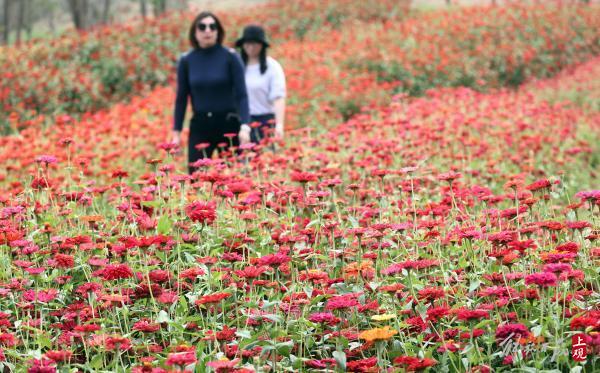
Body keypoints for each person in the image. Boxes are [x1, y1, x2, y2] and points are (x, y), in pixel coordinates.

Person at [171, 11, 251, 174]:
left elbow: (242, 95)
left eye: (212, 27)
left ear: (218, 31)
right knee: (195, 177)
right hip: (200, 125)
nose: (207, 31)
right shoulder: (187, 61)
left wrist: (245, 126)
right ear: (195, 32)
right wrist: (176, 133)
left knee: (234, 176)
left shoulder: (231, 57)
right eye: (202, 27)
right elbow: (181, 99)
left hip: (228, 124)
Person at [235, 24, 286, 148]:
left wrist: (279, 124)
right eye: (247, 43)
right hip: (241, 122)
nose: (251, 47)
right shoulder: (237, 66)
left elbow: (278, 97)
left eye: (255, 44)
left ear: (262, 45)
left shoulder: (272, 67)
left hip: (265, 121)